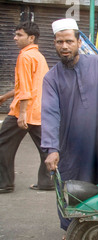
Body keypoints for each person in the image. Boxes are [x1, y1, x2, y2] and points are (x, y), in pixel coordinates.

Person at [41, 18, 98, 238]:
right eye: (59, 42)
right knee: (72, 186)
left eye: (69, 41)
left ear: (78, 41)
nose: (64, 47)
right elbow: (50, 113)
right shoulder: (51, 78)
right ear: (54, 43)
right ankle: (71, 230)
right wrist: (51, 148)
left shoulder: (97, 64)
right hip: (70, 145)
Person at [0, 21, 52, 194]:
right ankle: (47, 181)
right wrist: (5, 96)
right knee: (46, 147)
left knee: (3, 145)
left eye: (19, 35)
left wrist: (22, 113)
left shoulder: (24, 56)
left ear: (31, 38)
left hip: (23, 112)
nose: (15, 38)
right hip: (38, 110)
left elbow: (25, 89)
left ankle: (4, 183)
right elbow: (26, 85)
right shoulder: (39, 56)